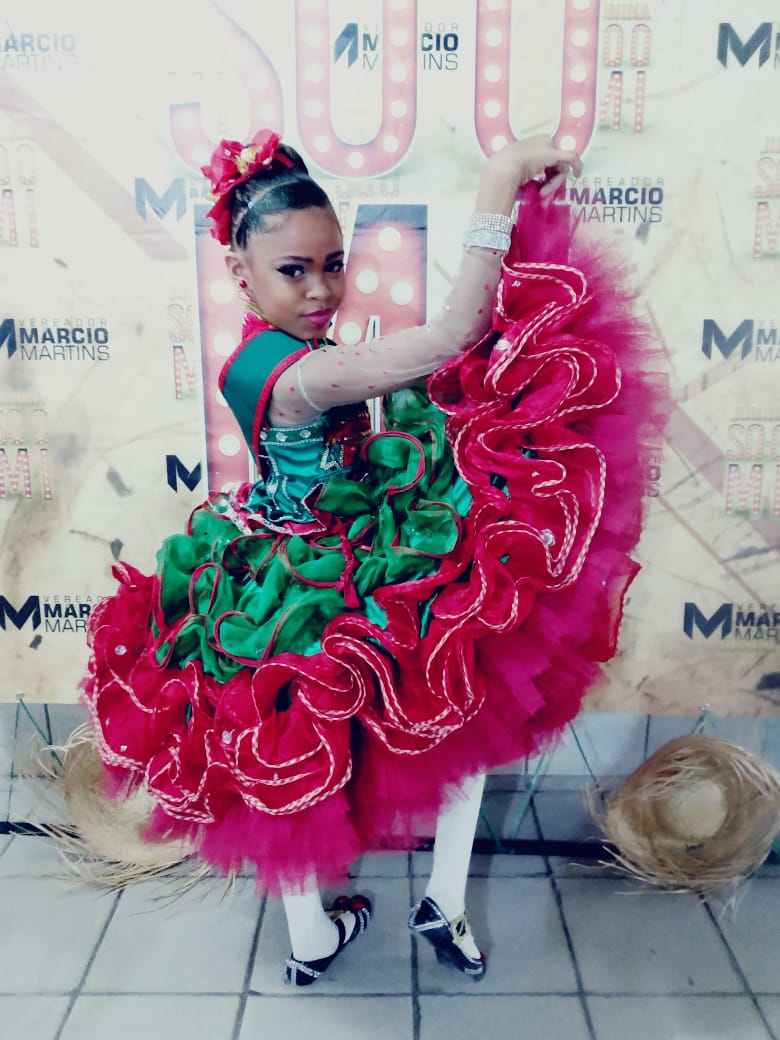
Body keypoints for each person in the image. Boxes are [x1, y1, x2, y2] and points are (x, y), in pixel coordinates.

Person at [80, 127, 660, 987]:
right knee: (326, 750)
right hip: (304, 586)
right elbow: (453, 334)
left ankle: (350, 927)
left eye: (332, 264)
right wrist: (499, 183)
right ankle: (412, 907)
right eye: (293, 270)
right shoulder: (291, 375)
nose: (321, 290)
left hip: (337, 550)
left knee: (448, 706)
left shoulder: (274, 350)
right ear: (240, 272)